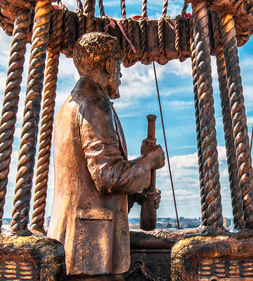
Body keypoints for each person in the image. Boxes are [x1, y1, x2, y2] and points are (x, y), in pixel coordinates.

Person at [47, 32, 165, 281]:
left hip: (77, 248)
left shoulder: (71, 104)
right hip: (91, 254)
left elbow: (91, 183)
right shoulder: (95, 104)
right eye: (119, 65)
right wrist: (148, 162)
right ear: (109, 64)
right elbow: (108, 176)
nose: (120, 75)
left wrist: (137, 191)